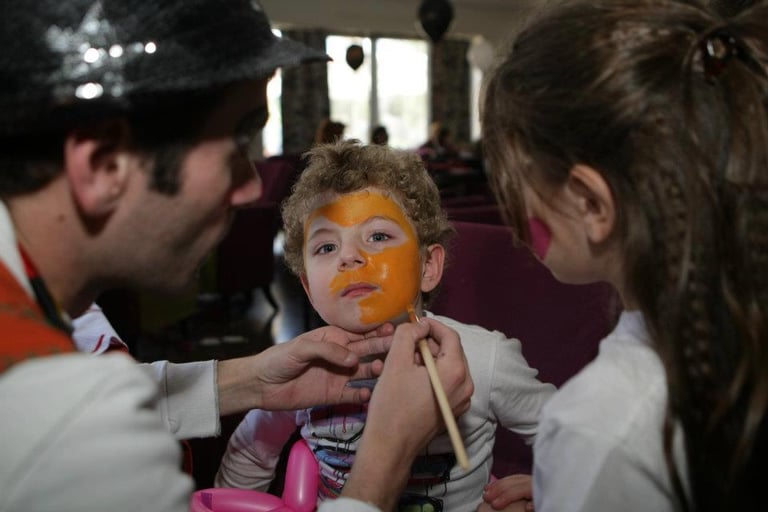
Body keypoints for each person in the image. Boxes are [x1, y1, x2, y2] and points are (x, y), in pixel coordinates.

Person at [0, 2, 472, 511]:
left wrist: (248, 380)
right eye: (238, 141)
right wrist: (388, 451)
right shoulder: (69, 440)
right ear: (103, 165)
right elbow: (74, 419)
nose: (251, 188)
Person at [478, 0, 768, 510]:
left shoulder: (598, 425)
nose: (512, 209)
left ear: (590, 202)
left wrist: (585, 472)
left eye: (517, 181)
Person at [215, 140, 554, 511]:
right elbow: (251, 452)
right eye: (326, 247)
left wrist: (553, 484)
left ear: (428, 267)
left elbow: (568, 432)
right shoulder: (299, 371)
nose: (349, 256)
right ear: (309, 288)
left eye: (378, 236)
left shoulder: (483, 358)